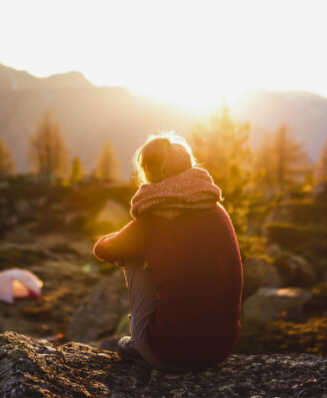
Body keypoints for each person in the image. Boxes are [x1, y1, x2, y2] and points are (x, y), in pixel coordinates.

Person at [93, 131, 243, 371]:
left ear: (149, 174)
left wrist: (130, 238)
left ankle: (141, 341)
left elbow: (103, 250)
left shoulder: (152, 222)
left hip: (169, 354)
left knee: (131, 254)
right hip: (221, 349)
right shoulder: (217, 210)